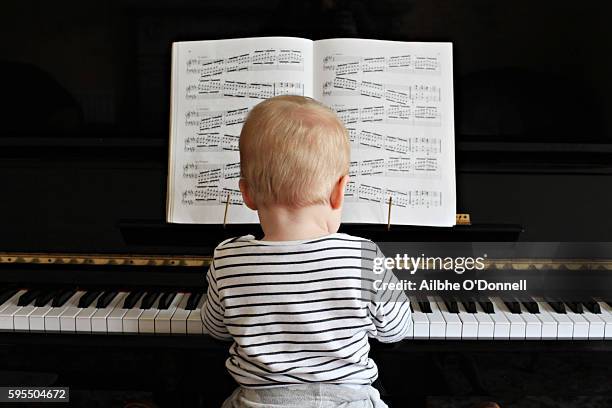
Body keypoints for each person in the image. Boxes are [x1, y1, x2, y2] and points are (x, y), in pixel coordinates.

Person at [201, 95, 412, 408]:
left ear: (246, 193)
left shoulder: (228, 258)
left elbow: (214, 328)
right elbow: (396, 329)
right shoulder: (364, 257)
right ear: (340, 190)